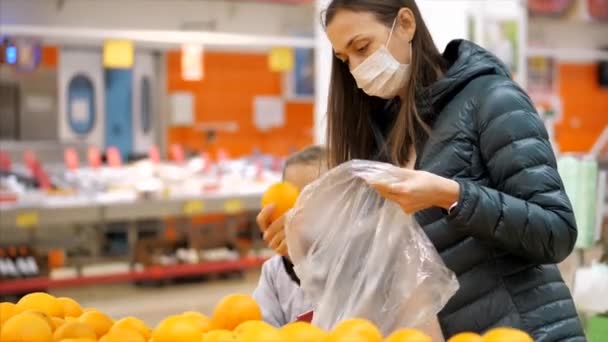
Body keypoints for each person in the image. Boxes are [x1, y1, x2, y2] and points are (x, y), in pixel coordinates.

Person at [259, 1, 584, 341]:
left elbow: (556, 231)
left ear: (405, 24)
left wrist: (451, 195)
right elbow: (371, 275)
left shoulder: (491, 99)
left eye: (362, 48)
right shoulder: (383, 138)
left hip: (527, 331)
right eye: (345, 59)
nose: (356, 69)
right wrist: (304, 247)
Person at [253, 145, 327, 327]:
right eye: (294, 199)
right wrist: (293, 257)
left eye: (314, 198)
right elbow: (260, 331)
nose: (301, 212)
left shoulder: (357, 260)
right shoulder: (275, 272)